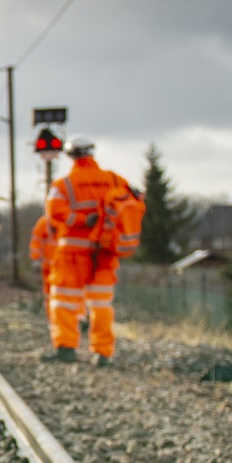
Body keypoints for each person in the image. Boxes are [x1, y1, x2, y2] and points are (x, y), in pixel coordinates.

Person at [43, 137, 134, 365]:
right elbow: (131, 204)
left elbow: (55, 213)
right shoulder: (115, 180)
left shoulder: (64, 184)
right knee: (101, 304)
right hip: (104, 253)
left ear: (70, 156)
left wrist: (82, 220)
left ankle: (66, 348)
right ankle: (102, 352)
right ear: (91, 153)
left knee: (64, 302)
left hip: (72, 253)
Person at [30, 209, 55, 340]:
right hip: (49, 267)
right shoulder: (44, 223)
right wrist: (35, 258)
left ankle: (77, 320)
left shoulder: (70, 220)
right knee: (50, 295)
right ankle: (53, 321)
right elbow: (36, 242)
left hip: (67, 267)